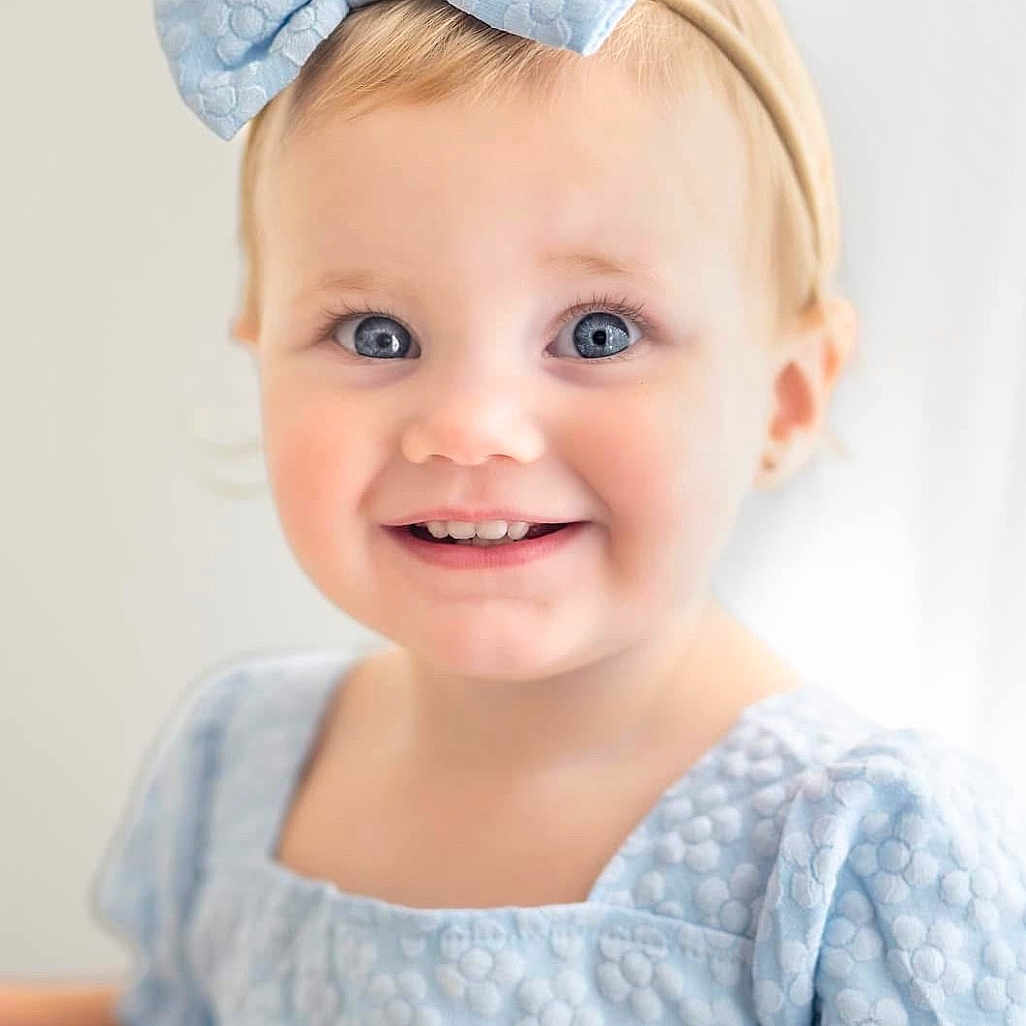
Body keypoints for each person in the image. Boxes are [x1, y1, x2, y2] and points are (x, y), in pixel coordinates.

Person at [6, 0, 1024, 1022]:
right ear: (260, 355)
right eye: (374, 333)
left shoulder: (861, 853)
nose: (468, 428)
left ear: (788, 395)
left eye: (595, 334)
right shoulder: (241, 764)